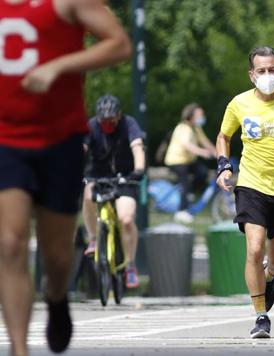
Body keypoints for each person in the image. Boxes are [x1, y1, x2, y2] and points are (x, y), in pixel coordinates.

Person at [0, 0, 131, 354]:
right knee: (9, 244)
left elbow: (119, 43)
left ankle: (56, 296)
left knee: (56, 256)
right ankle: (18, 349)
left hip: (59, 140)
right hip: (6, 141)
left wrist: (58, 66)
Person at [216, 46, 274, 338]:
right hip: (252, 184)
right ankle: (261, 316)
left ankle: (269, 277)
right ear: (251, 74)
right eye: (261, 71)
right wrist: (224, 166)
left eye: (272, 70)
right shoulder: (239, 103)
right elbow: (224, 136)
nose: (267, 75)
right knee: (254, 248)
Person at [82, 94, 146, 289]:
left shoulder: (129, 124)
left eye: (111, 120)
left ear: (119, 116)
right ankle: (93, 239)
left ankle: (130, 265)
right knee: (87, 194)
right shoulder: (92, 125)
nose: (107, 124)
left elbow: (137, 147)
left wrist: (138, 171)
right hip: (98, 175)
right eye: (104, 121)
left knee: (126, 219)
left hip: (125, 176)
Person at [164, 103, 216, 223]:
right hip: (176, 161)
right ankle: (181, 211)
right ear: (191, 116)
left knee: (203, 172)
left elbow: (205, 142)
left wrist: (218, 153)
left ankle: (189, 193)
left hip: (188, 161)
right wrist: (202, 152)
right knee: (185, 182)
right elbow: (186, 145)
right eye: (200, 115)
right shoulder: (183, 128)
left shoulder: (196, 128)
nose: (202, 117)